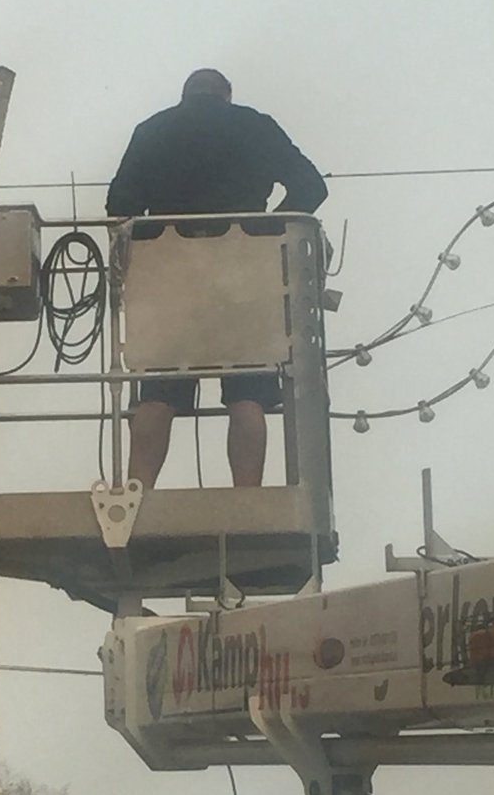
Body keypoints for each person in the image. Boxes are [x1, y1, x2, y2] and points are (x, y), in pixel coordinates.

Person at [106, 68, 328, 489]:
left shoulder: (154, 130)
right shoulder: (255, 125)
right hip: (244, 271)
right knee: (248, 395)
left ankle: (137, 492)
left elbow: (120, 205)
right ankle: (248, 493)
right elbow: (311, 186)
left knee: (157, 395)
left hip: (169, 276)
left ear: (185, 94)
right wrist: (266, 231)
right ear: (226, 95)